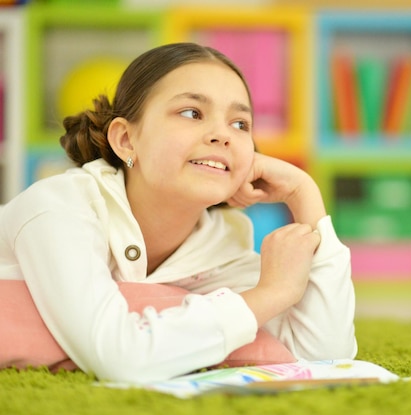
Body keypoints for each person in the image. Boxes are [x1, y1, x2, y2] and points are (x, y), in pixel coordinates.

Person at [0, 42, 357, 382]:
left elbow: (326, 357)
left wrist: (303, 192)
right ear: (126, 140)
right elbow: (118, 357)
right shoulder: (59, 207)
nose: (223, 135)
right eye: (192, 113)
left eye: (240, 124)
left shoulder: (223, 244)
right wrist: (271, 294)